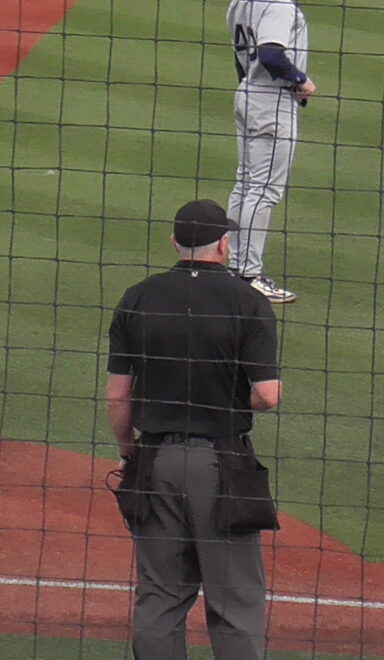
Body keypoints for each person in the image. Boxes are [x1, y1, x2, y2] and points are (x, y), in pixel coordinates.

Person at [106, 199, 283, 659]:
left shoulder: (138, 297)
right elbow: (267, 395)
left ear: (175, 243)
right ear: (224, 245)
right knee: (235, 602)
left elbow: (118, 395)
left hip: (156, 461)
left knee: (160, 596)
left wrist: (130, 455)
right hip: (221, 468)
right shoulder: (249, 301)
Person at [226, 0, 316, 303]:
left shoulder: (239, 2)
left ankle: (237, 268)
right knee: (263, 191)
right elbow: (271, 53)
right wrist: (300, 80)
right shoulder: (278, 5)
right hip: (272, 104)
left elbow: (242, 60)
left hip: (248, 94)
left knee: (246, 185)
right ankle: (249, 276)